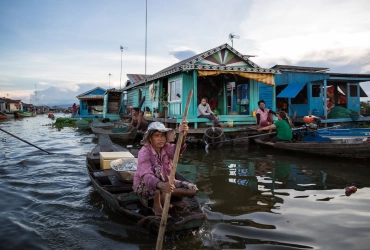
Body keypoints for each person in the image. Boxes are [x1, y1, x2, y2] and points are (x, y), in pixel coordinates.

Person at [133, 122, 198, 216]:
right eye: (156, 136)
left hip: (167, 182)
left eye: (162, 136)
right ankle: (157, 205)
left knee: (193, 189)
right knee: (156, 171)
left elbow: (177, 150)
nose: (160, 139)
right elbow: (147, 176)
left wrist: (183, 134)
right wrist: (162, 185)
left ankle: (165, 194)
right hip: (144, 185)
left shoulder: (166, 147)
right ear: (150, 138)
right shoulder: (144, 152)